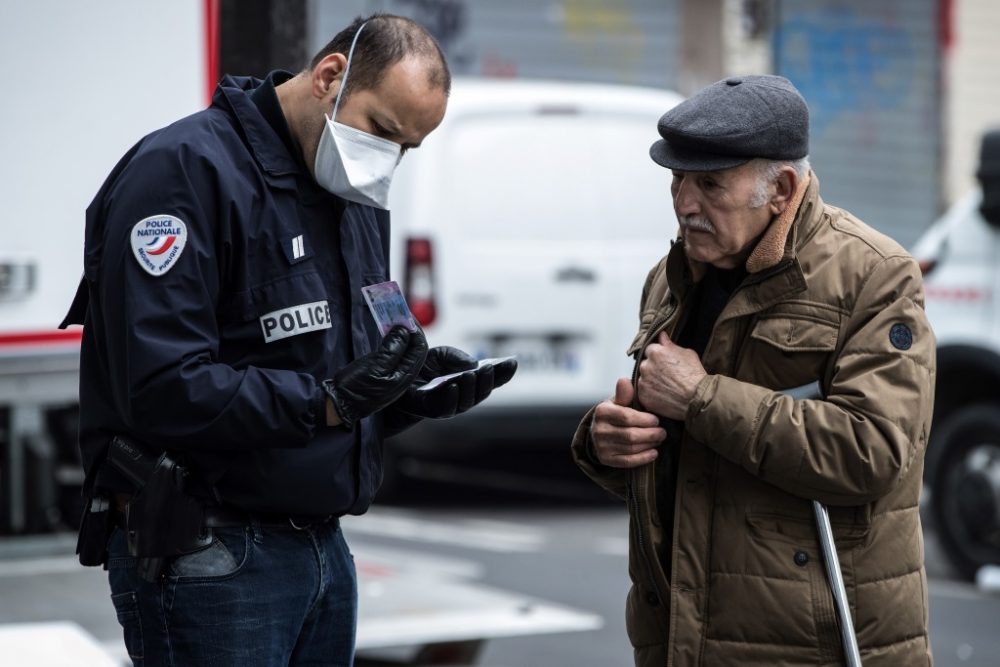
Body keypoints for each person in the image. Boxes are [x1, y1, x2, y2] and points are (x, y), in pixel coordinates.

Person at [59, 13, 516, 667]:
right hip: (210, 553)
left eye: (408, 147)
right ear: (329, 76)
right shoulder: (183, 173)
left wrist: (403, 395)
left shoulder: (347, 189)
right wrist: (328, 401)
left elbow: (335, 361)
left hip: (321, 550)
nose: (388, 159)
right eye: (384, 131)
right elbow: (161, 387)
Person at [572, 75, 934, 666]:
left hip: (811, 644)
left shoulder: (875, 276)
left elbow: (872, 453)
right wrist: (607, 443)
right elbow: (687, 468)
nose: (686, 204)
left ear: (781, 189)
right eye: (677, 180)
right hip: (680, 640)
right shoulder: (672, 279)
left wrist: (701, 398)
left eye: (710, 184)